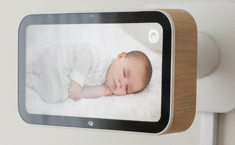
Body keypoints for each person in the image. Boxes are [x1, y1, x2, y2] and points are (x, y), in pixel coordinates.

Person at [25, 42, 153, 104]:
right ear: (120, 56)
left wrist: (101, 91)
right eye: (125, 73)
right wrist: (76, 82)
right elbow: (86, 54)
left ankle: (32, 81)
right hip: (56, 59)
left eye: (126, 88)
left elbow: (82, 93)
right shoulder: (103, 57)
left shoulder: (105, 84)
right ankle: (30, 71)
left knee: (55, 96)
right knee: (37, 69)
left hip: (59, 74)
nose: (121, 83)